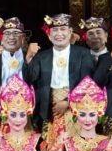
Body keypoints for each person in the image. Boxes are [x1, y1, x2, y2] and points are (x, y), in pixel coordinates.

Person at [25, 14, 95, 143]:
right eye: (55, 30)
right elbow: (30, 79)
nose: (59, 34)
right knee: (51, 147)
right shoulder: (42, 56)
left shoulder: (83, 54)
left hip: (76, 107)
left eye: (63, 29)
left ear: (70, 32)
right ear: (49, 35)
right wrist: (29, 58)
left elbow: (87, 83)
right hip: (50, 110)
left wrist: (68, 101)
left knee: (74, 147)